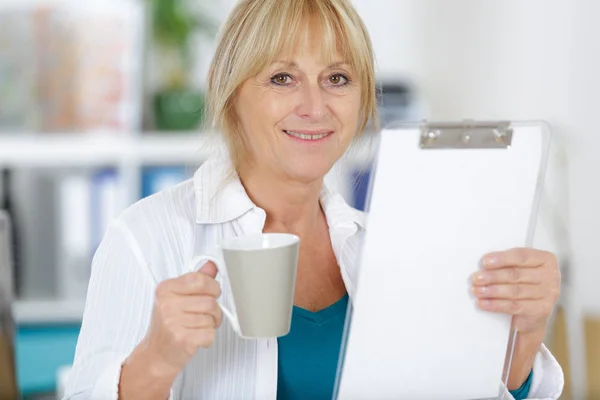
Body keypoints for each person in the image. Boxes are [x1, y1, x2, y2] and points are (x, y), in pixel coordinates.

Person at [63, 0, 564, 399]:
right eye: (282, 78)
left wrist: (524, 332)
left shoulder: (385, 248)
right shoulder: (147, 237)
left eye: (337, 79)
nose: (314, 106)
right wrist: (155, 361)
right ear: (231, 92)